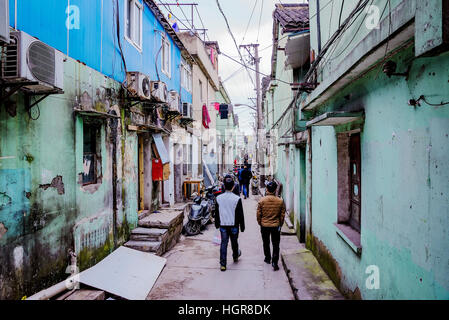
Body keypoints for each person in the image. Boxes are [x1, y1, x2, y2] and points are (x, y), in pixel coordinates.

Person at [215, 175, 245, 271]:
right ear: (233, 187)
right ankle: (235, 256)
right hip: (234, 224)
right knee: (234, 242)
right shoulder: (236, 199)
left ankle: (223, 264)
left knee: (224, 243)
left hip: (223, 224)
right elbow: (240, 214)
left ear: (224, 186)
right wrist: (242, 226)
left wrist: (217, 223)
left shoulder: (218, 198)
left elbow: (216, 212)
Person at [256, 181, 285, 271]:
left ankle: (267, 258)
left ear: (267, 189)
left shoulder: (262, 201)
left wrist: (260, 223)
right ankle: (274, 262)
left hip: (264, 225)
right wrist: (280, 224)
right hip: (275, 226)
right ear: (275, 190)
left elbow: (258, 214)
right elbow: (282, 215)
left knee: (266, 242)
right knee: (276, 244)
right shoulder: (280, 201)